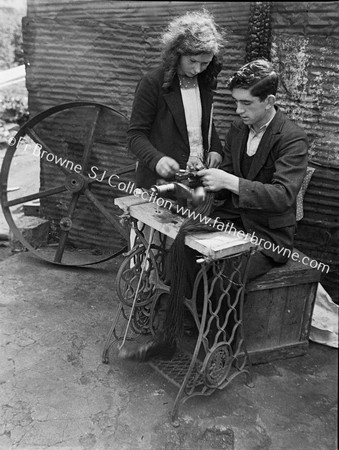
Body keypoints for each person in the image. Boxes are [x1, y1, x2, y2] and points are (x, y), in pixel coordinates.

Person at [120, 58, 309, 362]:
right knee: (181, 247)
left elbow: (283, 196)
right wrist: (196, 178)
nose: (238, 110)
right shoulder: (239, 128)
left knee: (223, 276)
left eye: (246, 103)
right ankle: (168, 339)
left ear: (269, 101)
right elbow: (220, 183)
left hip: (266, 235)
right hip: (232, 221)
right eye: (235, 102)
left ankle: (219, 353)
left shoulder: (291, 138)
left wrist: (230, 181)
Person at [127, 9, 225, 188]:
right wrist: (157, 159)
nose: (197, 69)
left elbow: (202, 123)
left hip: (195, 182)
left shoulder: (205, 82)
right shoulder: (152, 83)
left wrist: (216, 148)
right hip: (158, 184)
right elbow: (135, 136)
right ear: (177, 54)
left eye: (205, 63)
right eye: (192, 61)